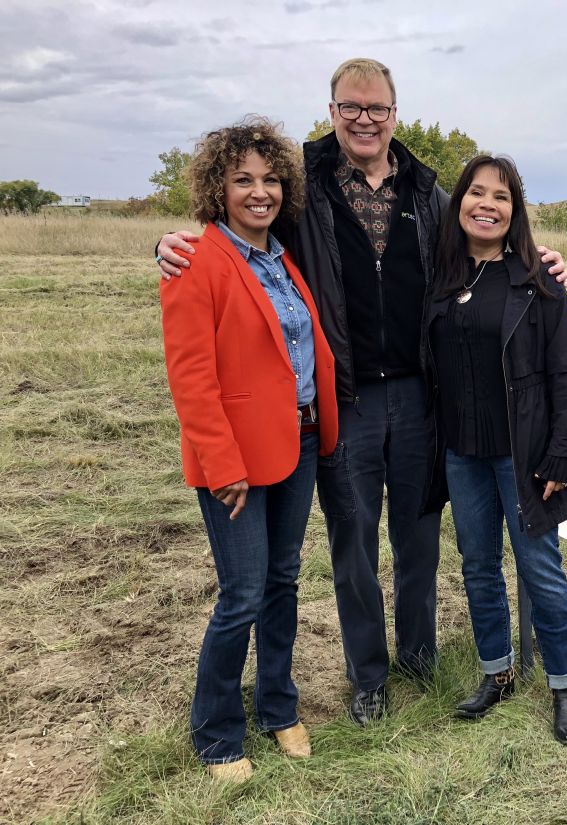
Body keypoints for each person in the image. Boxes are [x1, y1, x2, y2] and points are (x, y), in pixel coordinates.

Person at [156, 59, 566, 724]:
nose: (365, 119)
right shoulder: (301, 189)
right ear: (332, 111)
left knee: (419, 536)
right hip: (343, 400)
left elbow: (487, 244)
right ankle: (367, 673)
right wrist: (164, 244)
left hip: (419, 394)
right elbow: (233, 230)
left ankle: (419, 658)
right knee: (353, 541)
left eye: (377, 108)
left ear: (395, 114)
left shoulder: (429, 195)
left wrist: (541, 261)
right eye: (352, 107)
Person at [159, 117, 338, 782]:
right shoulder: (194, 260)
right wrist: (222, 465)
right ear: (218, 187)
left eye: (269, 179)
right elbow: (191, 377)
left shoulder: (283, 257)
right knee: (241, 593)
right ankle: (215, 731)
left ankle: (278, 705)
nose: (258, 191)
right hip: (234, 460)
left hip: (299, 440)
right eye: (243, 180)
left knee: (283, 581)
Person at [428, 155, 567, 744]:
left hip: (523, 457)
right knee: (477, 567)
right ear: (459, 202)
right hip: (462, 455)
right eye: (475, 192)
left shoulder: (539, 284)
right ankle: (497, 673)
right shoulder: (441, 278)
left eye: (500, 196)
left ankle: (564, 686)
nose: (486, 204)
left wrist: (562, 454)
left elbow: (565, 376)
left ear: (514, 210)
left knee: (541, 570)